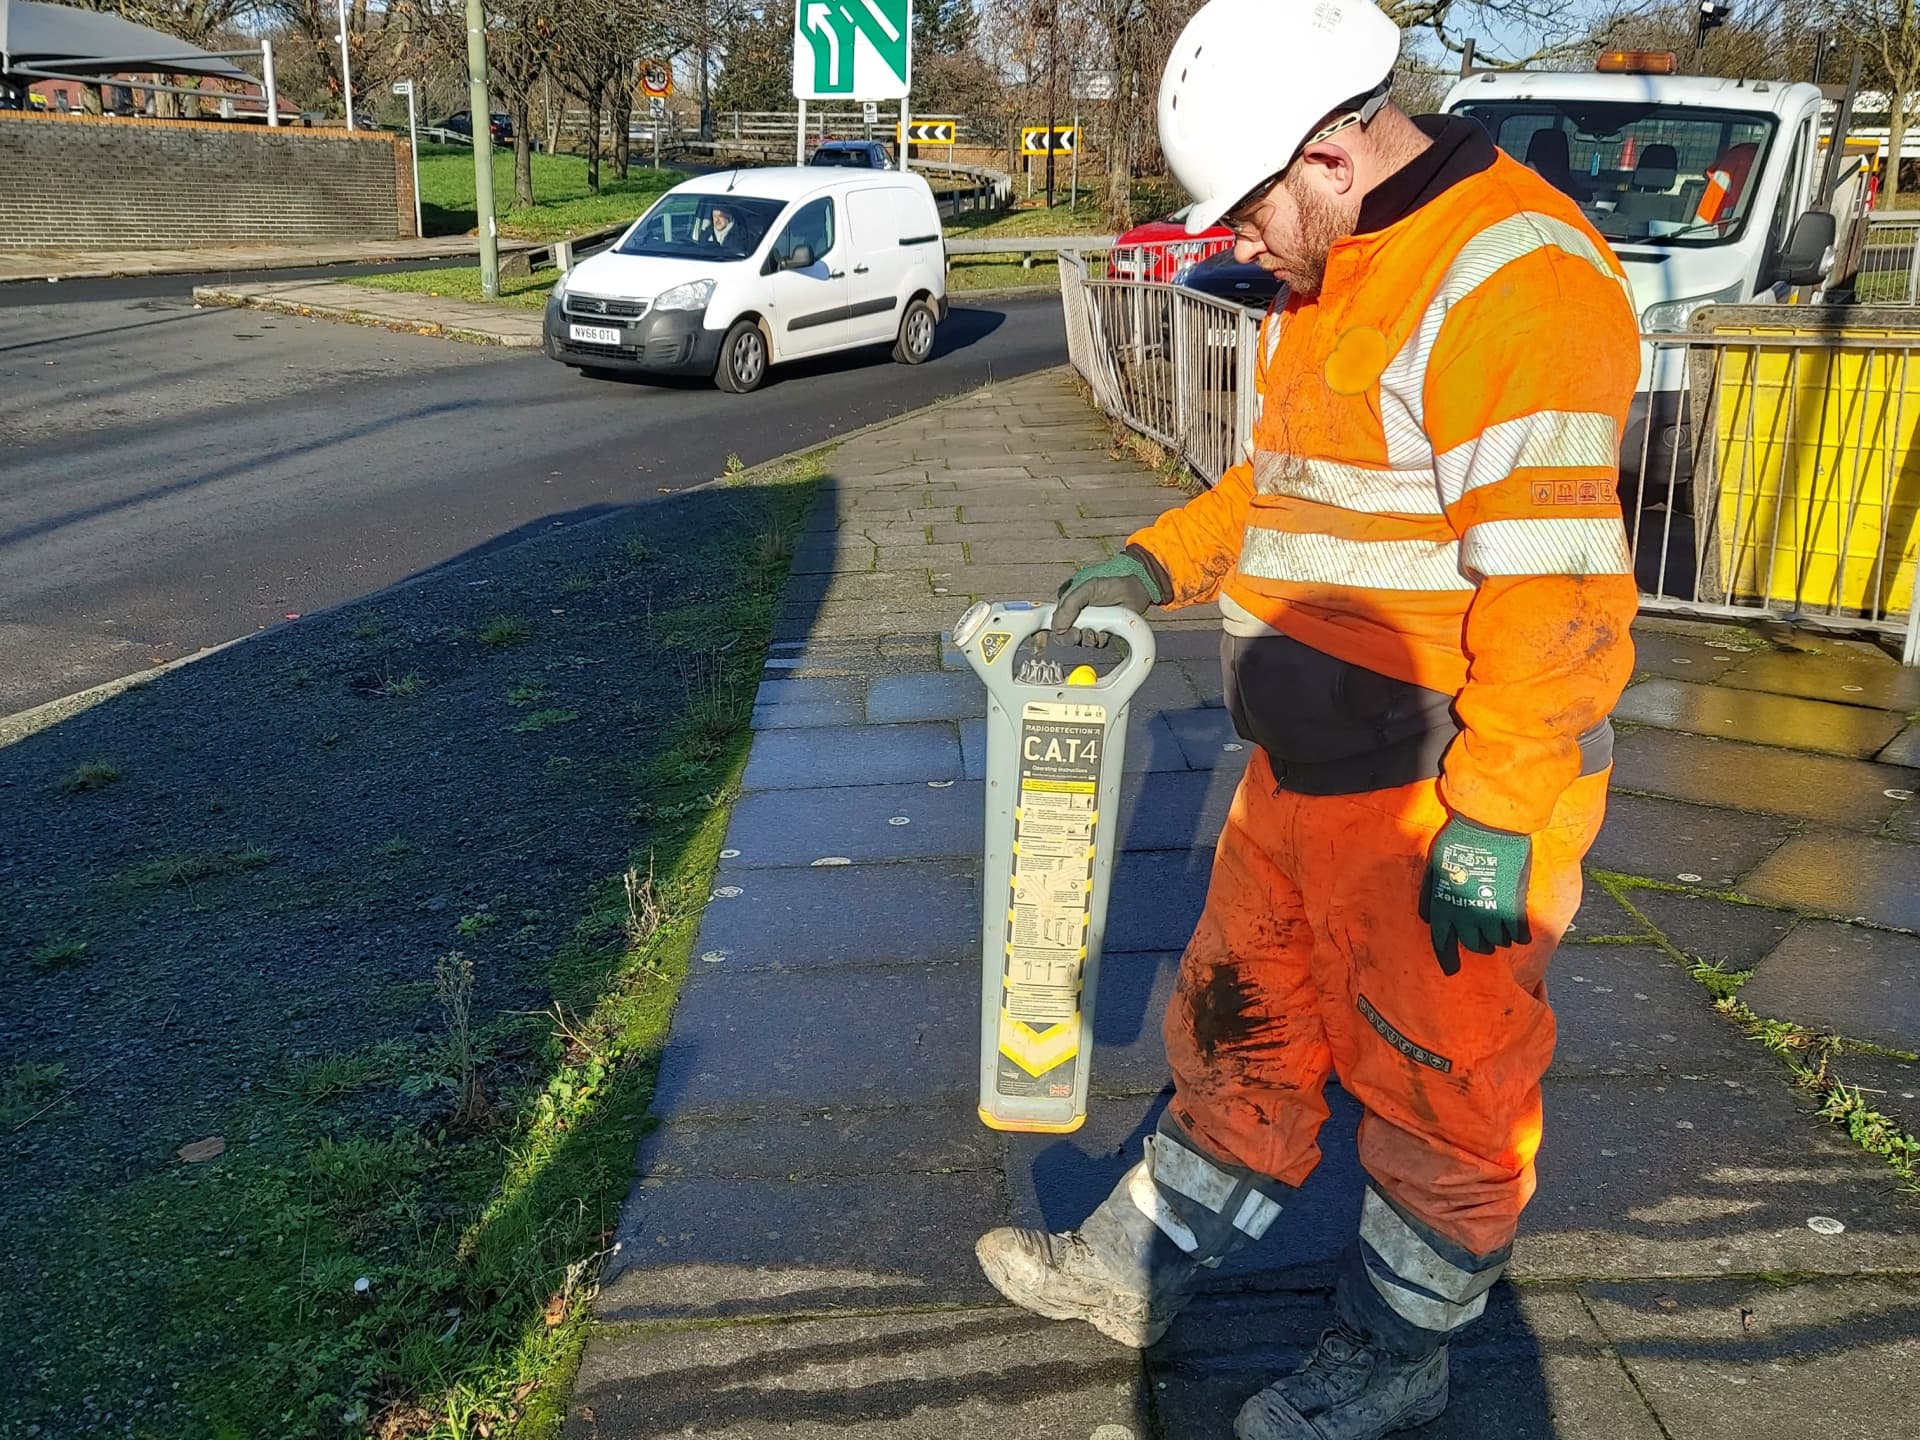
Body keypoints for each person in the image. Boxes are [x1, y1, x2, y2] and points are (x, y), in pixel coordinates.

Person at [973, 1, 1642, 1437]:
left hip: (1440, 798)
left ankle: (1397, 1352)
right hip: (1302, 782)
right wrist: (1149, 563)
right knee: (1236, 1028)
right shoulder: (1333, 278)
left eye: (1248, 213)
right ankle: (1133, 1271)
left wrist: (1497, 825)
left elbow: (1561, 595)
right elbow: (1278, 491)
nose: (1238, 248)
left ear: (1329, 156)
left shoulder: (1514, 285)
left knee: (1443, 1090)